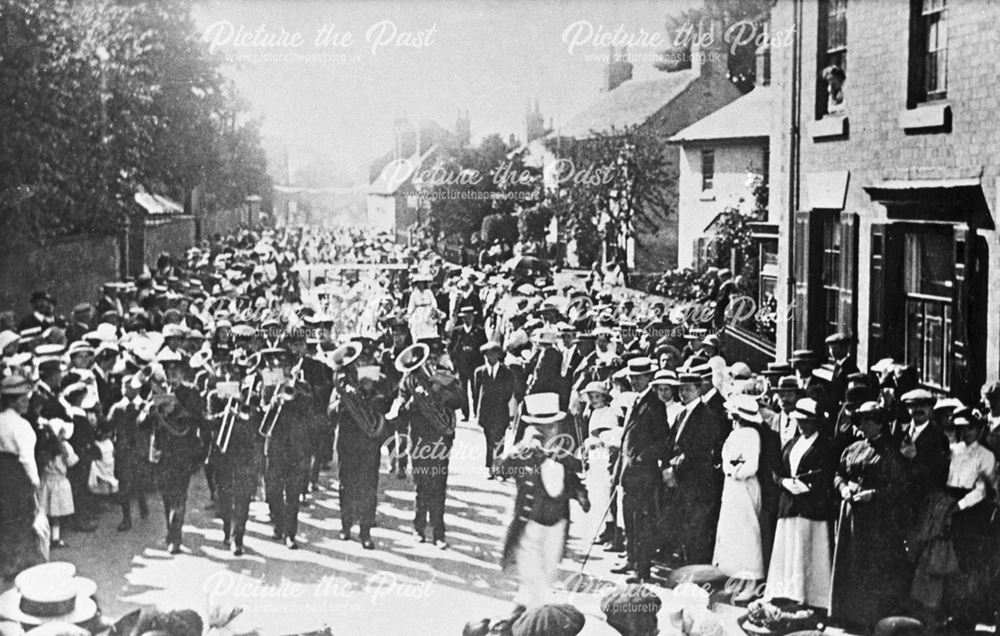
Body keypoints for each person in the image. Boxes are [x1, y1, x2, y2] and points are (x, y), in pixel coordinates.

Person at [497, 392, 589, 608]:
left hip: (556, 525)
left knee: (547, 575)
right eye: (540, 426)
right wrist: (518, 449)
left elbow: (573, 481)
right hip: (530, 524)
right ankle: (529, 618)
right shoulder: (524, 453)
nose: (546, 430)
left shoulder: (564, 456)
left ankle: (526, 611)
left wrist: (581, 496)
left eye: (551, 425)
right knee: (533, 579)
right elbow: (500, 468)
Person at [830, 401, 912, 630]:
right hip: (850, 514)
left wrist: (873, 495)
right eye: (861, 420)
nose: (864, 425)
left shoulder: (890, 453)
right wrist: (843, 488)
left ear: (879, 423)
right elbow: (838, 474)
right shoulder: (853, 448)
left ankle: (868, 617)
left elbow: (900, 487)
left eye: (869, 420)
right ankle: (846, 614)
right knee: (849, 561)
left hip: (876, 520)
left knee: (870, 565)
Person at [765, 397, 837, 611]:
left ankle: (812, 596)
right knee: (789, 548)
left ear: (816, 422)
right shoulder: (791, 444)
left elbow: (828, 473)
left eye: (807, 421)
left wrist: (810, 487)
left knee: (809, 549)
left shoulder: (826, 445)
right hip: (789, 505)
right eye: (799, 420)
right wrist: (784, 482)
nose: (803, 425)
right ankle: (786, 591)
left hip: (812, 508)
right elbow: (777, 470)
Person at [393, 345, 463, 547]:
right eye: (427, 359)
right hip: (420, 440)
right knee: (422, 484)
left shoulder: (444, 376)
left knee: (439, 485)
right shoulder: (408, 381)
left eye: (433, 358)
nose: (430, 362)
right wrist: (411, 405)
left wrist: (441, 391)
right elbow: (400, 411)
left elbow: (460, 400)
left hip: (441, 440)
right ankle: (419, 527)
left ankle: (439, 533)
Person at [327, 343, 392, 550]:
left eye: (362, 360)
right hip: (347, 441)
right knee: (346, 485)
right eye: (356, 361)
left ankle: (365, 532)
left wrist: (371, 392)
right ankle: (346, 526)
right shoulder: (341, 384)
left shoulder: (375, 380)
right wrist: (341, 404)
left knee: (368, 487)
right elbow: (330, 413)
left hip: (368, 443)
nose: (359, 364)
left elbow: (386, 405)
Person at [611, 358, 667, 583]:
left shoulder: (655, 405)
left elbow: (662, 441)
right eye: (632, 377)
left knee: (642, 522)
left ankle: (642, 570)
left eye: (638, 377)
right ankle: (631, 559)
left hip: (643, 473)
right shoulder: (635, 401)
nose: (633, 381)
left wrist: (641, 458)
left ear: (648, 378)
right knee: (629, 518)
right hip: (628, 471)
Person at [145, 353, 204, 555]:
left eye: (176, 373)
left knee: (179, 494)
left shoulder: (192, 392)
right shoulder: (158, 391)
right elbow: (145, 421)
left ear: (182, 374)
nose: (172, 377)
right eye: (169, 373)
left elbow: (198, 419)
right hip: (163, 451)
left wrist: (178, 409)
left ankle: (175, 537)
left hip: (183, 451)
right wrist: (150, 410)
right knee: (167, 495)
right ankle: (172, 531)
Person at [712, 394, 765, 599]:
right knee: (732, 532)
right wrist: (729, 469)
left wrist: (736, 472)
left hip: (745, 487)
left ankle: (751, 583)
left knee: (747, 533)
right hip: (732, 488)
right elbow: (726, 458)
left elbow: (751, 465)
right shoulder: (734, 433)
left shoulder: (752, 434)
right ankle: (736, 579)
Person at [0, 373, 47, 581]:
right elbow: (27, 459)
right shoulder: (21, 425)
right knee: (23, 521)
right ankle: (21, 569)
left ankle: (7, 563)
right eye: (22, 398)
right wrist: (35, 483)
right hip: (17, 475)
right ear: (12, 400)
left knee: (6, 520)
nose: (27, 402)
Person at [473, 341, 514, 478]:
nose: (489, 357)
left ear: (498, 355)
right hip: (486, 412)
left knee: (500, 440)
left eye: (491, 354)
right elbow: (476, 393)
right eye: (486, 355)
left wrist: (501, 403)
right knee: (489, 440)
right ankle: (491, 467)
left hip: (500, 411)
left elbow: (509, 392)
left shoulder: (507, 372)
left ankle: (499, 468)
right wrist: (476, 412)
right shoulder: (479, 372)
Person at [449, 306, 487, 420]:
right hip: (462, 364)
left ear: (473, 317)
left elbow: (484, 346)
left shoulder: (479, 331)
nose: (467, 319)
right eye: (465, 317)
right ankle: (465, 414)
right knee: (462, 390)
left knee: (476, 389)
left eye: (469, 317)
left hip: (475, 364)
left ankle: (477, 412)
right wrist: (454, 360)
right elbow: (451, 347)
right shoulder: (457, 331)